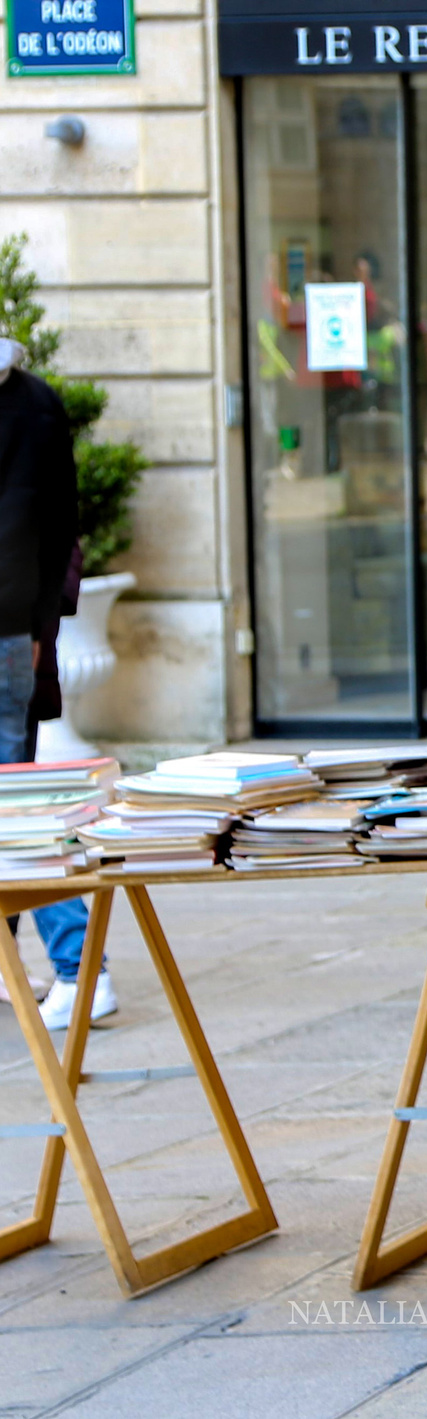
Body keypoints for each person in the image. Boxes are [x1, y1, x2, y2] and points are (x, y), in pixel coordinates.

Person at [0, 338, 103, 1029]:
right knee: (11, 793)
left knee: (11, 807)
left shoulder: (34, 403)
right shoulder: (36, 399)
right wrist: (45, 624)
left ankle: (76, 961)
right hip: (17, 628)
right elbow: (64, 524)